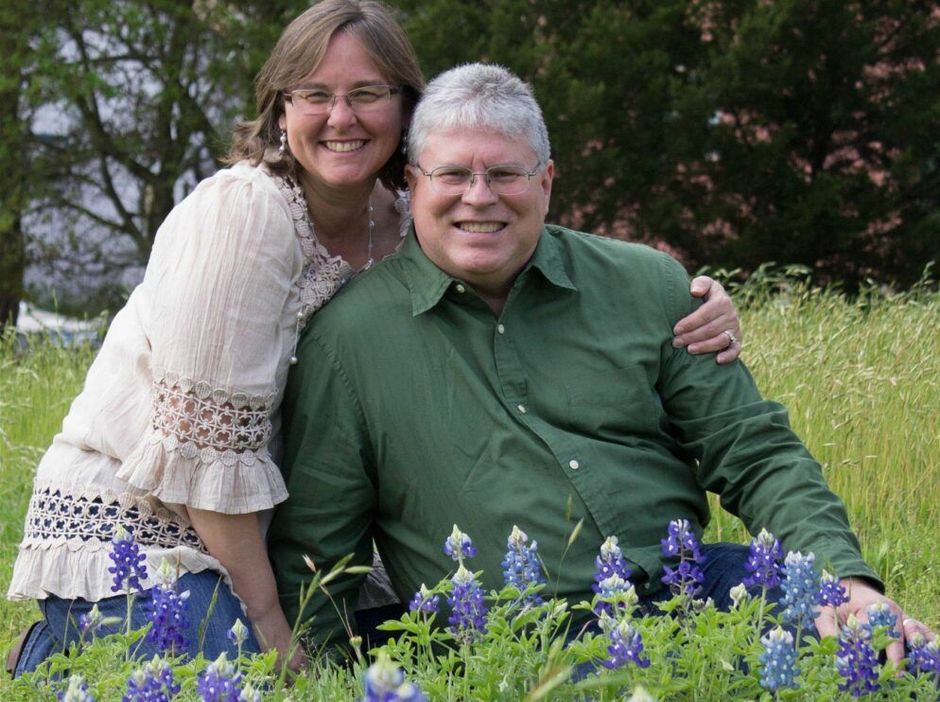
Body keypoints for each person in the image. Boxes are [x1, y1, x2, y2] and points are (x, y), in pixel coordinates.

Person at [5, 0, 739, 677]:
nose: (340, 117)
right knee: (242, 681)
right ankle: (58, 651)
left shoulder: (403, 216)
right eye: (314, 94)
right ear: (280, 107)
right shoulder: (245, 214)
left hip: (277, 528)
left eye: (367, 93)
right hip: (146, 524)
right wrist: (271, 627)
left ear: (405, 108)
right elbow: (204, 456)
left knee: (428, 650)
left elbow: (512, 230)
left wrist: (680, 293)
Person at [268, 62, 935, 666]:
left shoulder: (647, 285)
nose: (479, 196)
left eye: (505, 174)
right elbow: (320, 549)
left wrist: (848, 583)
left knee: (882, 651)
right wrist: (319, 672)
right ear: (413, 184)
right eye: (452, 175)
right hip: (513, 632)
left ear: (547, 181)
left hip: (688, 586)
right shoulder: (349, 339)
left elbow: (754, 449)